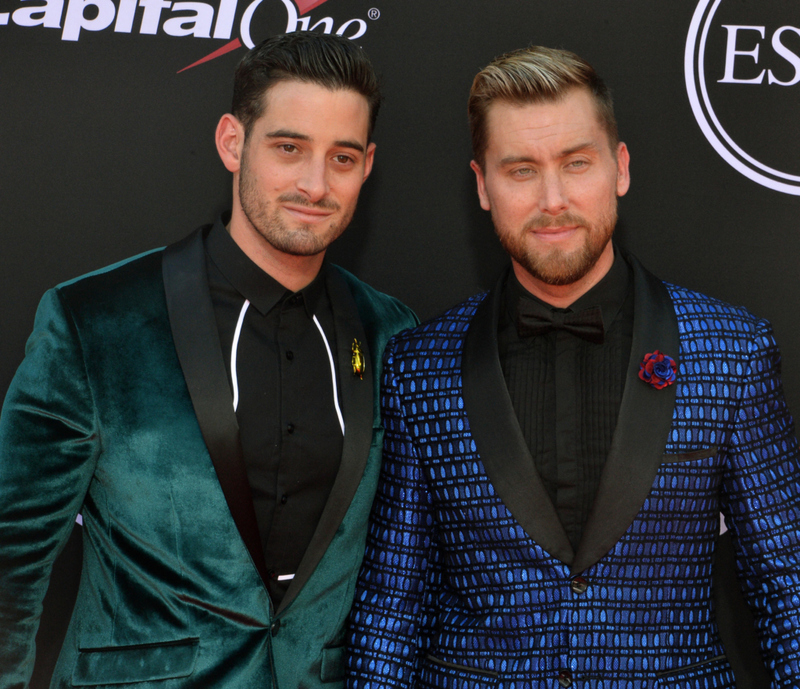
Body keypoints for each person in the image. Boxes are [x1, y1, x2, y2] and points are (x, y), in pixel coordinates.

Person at [346, 46, 800, 687]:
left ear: (620, 168)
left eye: (576, 163)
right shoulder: (420, 368)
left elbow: (787, 587)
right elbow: (393, 607)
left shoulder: (732, 352)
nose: (553, 199)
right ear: (482, 185)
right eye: (521, 170)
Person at [0, 32, 416, 689]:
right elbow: (11, 556)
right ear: (232, 142)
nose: (316, 183)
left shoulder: (391, 330)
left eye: (341, 157)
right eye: (289, 147)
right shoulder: (95, 321)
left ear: (367, 166)